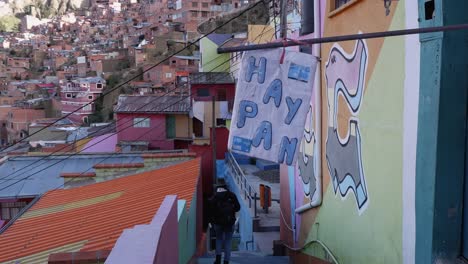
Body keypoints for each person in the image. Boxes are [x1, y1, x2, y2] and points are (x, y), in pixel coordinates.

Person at [208, 178, 240, 264]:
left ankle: (218, 260)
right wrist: (231, 209)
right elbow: (238, 208)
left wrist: (211, 222)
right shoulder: (231, 195)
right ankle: (226, 261)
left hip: (217, 223)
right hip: (230, 222)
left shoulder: (214, 197)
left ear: (217, 186)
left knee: (218, 239)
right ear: (225, 185)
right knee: (228, 241)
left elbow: (210, 211)